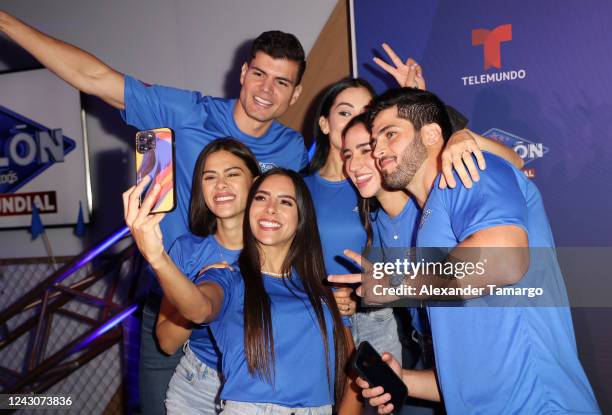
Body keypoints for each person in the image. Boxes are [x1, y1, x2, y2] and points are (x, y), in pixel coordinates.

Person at [0, 12, 309, 413]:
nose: (266, 89)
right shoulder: (188, 113)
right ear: (244, 73)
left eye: (281, 82)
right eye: (260, 74)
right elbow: (94, 77)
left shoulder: (293, 150)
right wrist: (7, 24)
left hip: (246, 313)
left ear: (296, 94)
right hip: (174, 307)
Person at [331, 88, 600, 414]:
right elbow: (469, 376)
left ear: (431, 134)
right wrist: (404, 379)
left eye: (390, 134)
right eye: (374, 143)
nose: (378, 151)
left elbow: (506, 259)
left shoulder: (468, 172)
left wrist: (399, 285)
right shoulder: (427, 227)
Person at [125, 168, 349, 414]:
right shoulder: (228, 277)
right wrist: (158, 259)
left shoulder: (323, 288)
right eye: (260, 198)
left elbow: (349, 368)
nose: (270, 208)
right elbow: (199, 308)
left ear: (301, 218)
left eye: (285, 201)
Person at [152, 139, 259, 414]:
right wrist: (195, 298)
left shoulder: (279, 247)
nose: (220, 185)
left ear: (256, 182)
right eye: (209, 177)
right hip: (197, 385)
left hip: (260, 385)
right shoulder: (186, 250)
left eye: (232, 174)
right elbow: (166, 341)